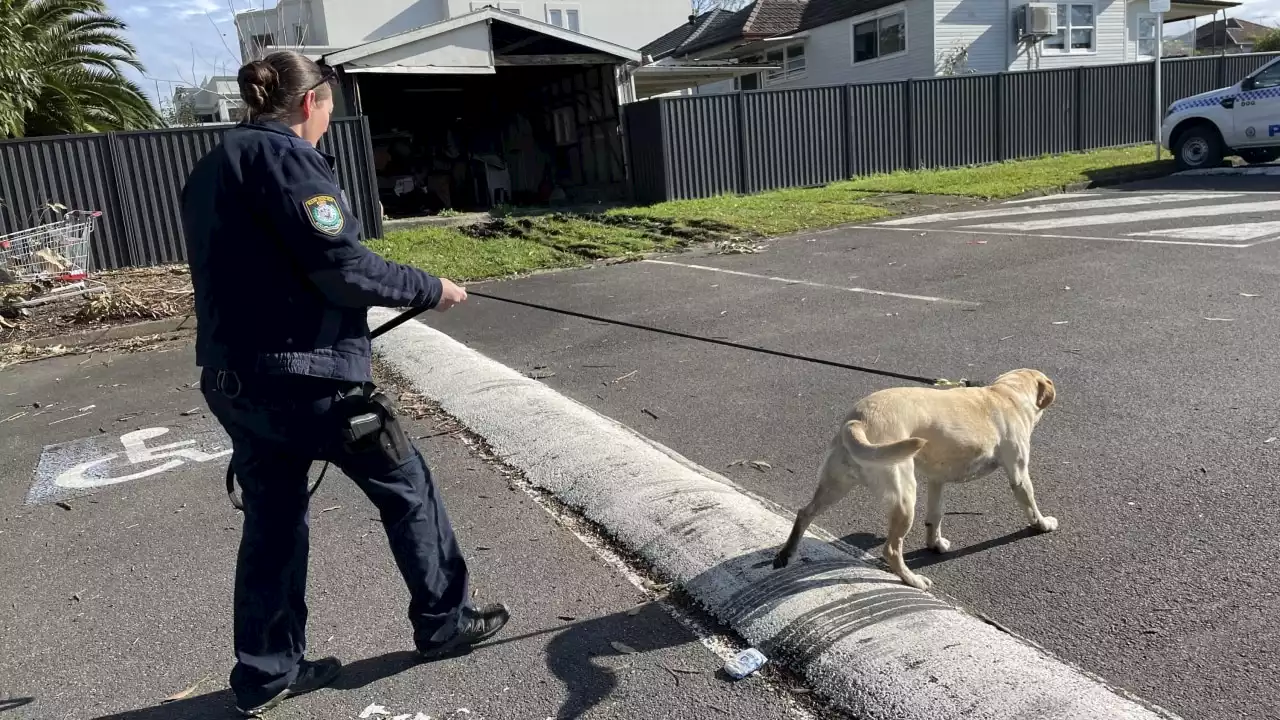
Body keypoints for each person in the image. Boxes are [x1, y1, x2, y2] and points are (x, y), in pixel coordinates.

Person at [179, 50, 509, 717]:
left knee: (273, 522)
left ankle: (267, 673)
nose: (329, 120)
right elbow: (343, 269)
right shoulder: (289, 160)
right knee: (406, 489)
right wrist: (430, 288)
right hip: (308, 383)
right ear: (310, 103)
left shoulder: (211, 168)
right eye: (329, 107)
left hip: (233, 382)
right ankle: (444, 622)